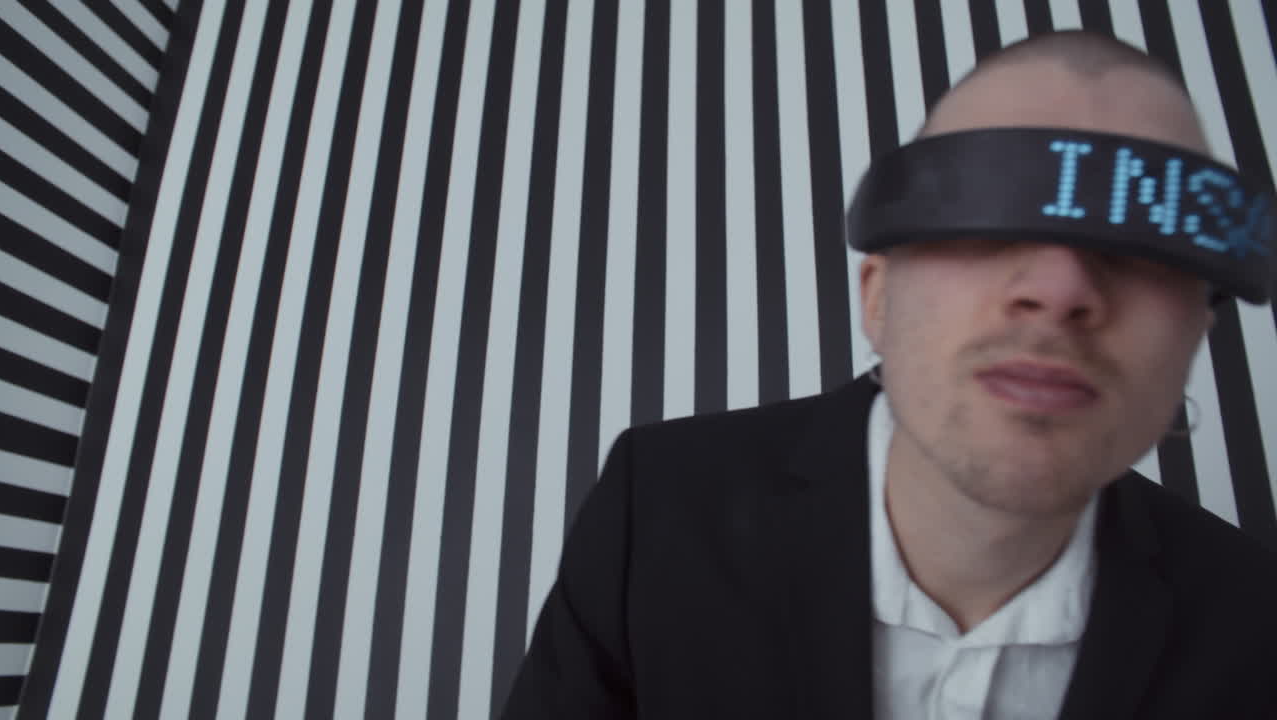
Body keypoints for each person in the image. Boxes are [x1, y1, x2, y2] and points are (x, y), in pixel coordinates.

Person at [500, 30, 1277, 719]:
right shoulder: (659, 512)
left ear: (1195, 334)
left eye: (1145, 247)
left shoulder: (1258, 626)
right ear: (877, 296)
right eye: (983, 208)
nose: (1060, 288)